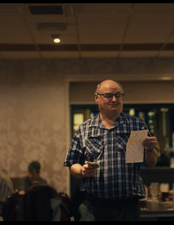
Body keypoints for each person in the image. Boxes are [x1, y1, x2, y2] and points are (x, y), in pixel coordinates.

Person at [63, 80, 158, 221]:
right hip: (93, 206)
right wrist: (82, 171)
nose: (114, 100)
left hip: (128, 207)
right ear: (97, 97)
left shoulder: (137, 125)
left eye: (118, 95)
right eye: (108, 96)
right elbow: (72, 164)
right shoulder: (85, 128)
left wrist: (150, 149)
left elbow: (152, 162)